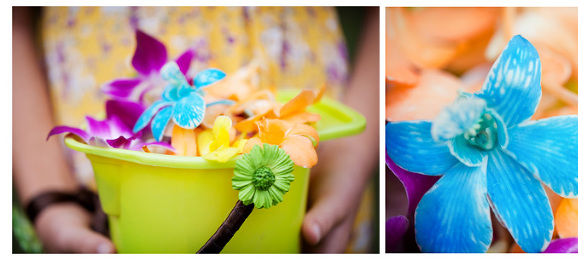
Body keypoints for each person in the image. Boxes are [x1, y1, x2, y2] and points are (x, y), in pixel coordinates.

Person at [12, 6, 379, 253]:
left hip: (312, 166)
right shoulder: (156, 114)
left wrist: (353, 151)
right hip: (98, 193)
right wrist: (50, 198)